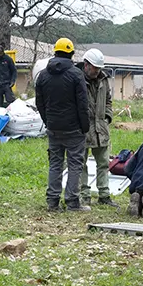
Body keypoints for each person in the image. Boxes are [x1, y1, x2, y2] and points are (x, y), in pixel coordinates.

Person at [35, 37, 93, 212]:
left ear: (55, 52)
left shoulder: (43, 75)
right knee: (75, 164)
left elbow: (40, 103)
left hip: (53, 127)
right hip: (74, 128)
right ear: (71, 54)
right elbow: (83, 104)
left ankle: (52, 202)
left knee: (55, 163)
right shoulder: (76, 75)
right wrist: (85, 126)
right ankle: (72, 202)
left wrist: (48, 121)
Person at [80, 48, 115, 206]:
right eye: (95, 67)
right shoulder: (77, 79)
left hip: (100, 127)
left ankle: (104, 195)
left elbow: (108, 100)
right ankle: (84, 195)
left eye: (99, 68)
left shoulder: (104, 80)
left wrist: (107, 117)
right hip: (83, 128)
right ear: (86, 65)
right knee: (81, 163)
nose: (97, 71)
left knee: (103, 163)